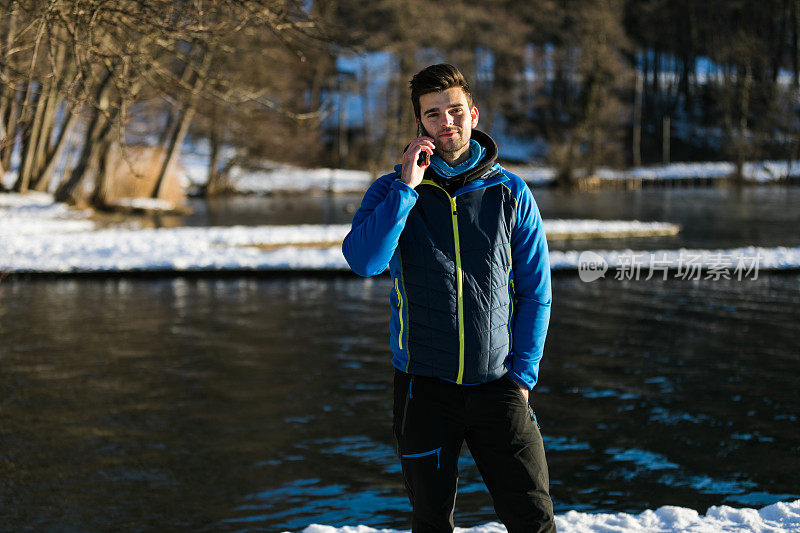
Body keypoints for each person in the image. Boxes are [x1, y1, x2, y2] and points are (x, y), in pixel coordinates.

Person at [342, 63, 555, 533]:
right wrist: (406, 190)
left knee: (533, 520)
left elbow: (536, 293)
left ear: (474, 115)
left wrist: (522, 376)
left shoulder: (511, 193)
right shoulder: (390, 191)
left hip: (499, 386)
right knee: (431, 521)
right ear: (421, 124)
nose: (447, 122)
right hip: (423, 389)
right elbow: (364, 262)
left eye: (455, 110)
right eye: (433, 114)